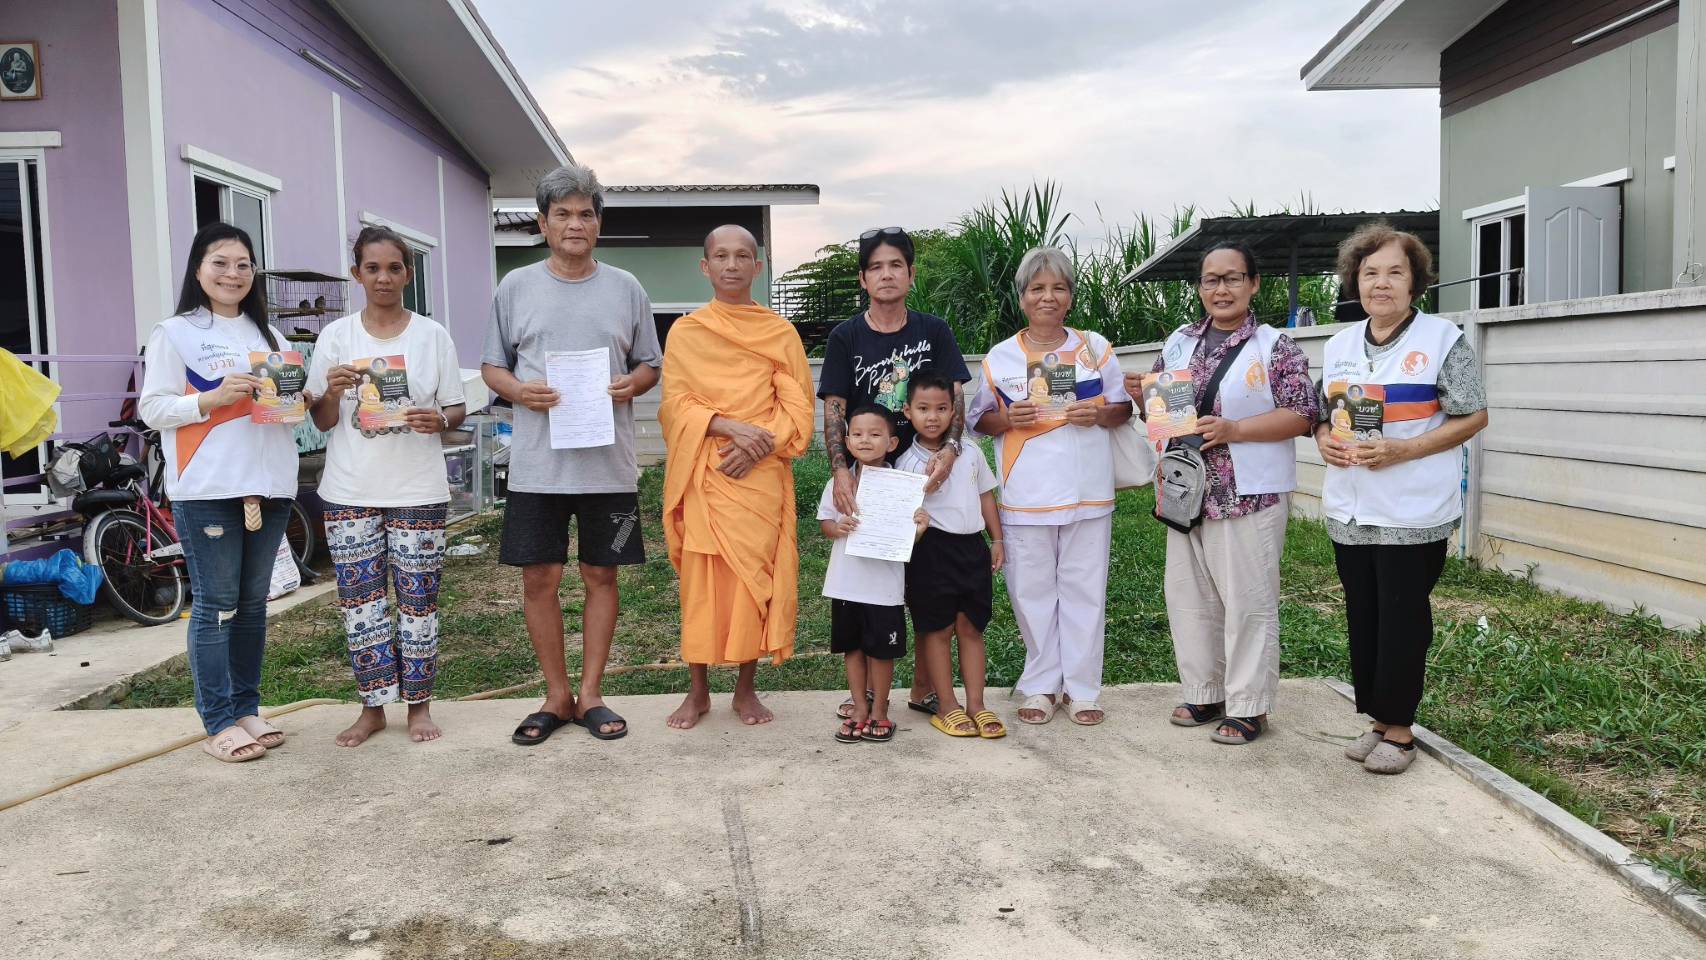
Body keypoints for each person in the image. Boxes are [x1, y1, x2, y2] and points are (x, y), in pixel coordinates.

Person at [480, 163, 662, 746]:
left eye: (586, 213)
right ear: (543, 222)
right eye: (563, 214)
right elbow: (492, 366)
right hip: (539, 464)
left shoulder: (626, 287)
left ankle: (592, 694)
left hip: (607, 462)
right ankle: (555, 696)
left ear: (598, 224)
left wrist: (632, 384)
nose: (575, 223)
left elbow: (650, 364)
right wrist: (517, 392)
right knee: (541, 576)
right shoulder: (516, 288)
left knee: (600, 573)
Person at [1128, 241, 1318, 746]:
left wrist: (1235, 429)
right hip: (1185, 489)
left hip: (1246, 492)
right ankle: (1204, 690)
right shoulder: (1179, 342)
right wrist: (1142, 397)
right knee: (1190, 596)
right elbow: (1164, 415)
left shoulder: (1274, 346)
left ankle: (1249, 704)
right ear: (1200, 288)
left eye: (1233, 278)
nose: (1221, 288)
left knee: (1248, 600)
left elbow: (1302, 414)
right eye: (1211, 279)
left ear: (1254, 284)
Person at [1315, 222, 1488, 775]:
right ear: (1354, 282)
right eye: (1370, 273)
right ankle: (1377, 719)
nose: (1381, 283)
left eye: (1395, 272)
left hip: (1412, 507)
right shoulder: (1341, 344)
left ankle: (1403, 730)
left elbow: (1473, 414)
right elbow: (1323, 418)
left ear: (1415, 283)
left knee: (1402, 615)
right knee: (1363, 612)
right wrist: (1325, 442)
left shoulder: (1441, 339)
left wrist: (1403, 450)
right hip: (1351, 506)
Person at [140, 222, 306, 763]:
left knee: (253, 605)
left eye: (242, 264)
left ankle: (246, 708)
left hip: (272, 484)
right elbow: (153, 408)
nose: (232, 274)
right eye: (220, 263)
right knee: (215, 606)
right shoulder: (176, 332)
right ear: (197, 269)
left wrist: (299, 398)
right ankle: (217, 720)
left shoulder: (273, 338)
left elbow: (288, 411)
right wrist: (209, 400)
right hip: (209, 487)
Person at [307, 225, 467, 747]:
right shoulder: (336, 337)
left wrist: (437, 420)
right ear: (357, 274)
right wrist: (328, 391)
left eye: (393, 267)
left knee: (418, 601)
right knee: (362, 604)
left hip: (418, 489)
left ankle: (418, 707)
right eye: (372, 268)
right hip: (349, 491)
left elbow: (456, 406)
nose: (383, 277)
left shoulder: (431, 335)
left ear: (408, 273)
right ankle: (372, 707)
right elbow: (325, 421)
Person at [658, 225, 814, 729]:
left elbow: (798, 407)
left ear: (757, 266)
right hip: (707, 468)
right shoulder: (687, 331)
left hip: (759, 473)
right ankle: (697, 688)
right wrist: (726, 427)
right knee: (701, 583)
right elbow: (674, 405)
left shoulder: (779, 332)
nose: (731, 264)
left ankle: (746, 688)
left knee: (756, 581)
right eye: (721, 256)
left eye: (742, 256)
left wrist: (758, 443)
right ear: (705, 267)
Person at [968, 247, 1132, 726]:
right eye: (1037, 288)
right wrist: (1008, 417)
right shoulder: (1001, 357)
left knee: (1085, 590)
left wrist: (1098, 413)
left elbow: (1123, 408)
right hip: (1026, 495)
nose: (1048, 296)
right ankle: (1041, 684)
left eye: (1058, 287)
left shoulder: (1095, 348)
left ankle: (1082, 689)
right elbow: (979, 420)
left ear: (1071, 296)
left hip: (1088, 493)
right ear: (1021, 299)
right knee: (1031, 590)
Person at [820, 227, 970, 720]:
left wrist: (949, 450)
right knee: (871, 579)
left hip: (921, 466)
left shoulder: (933, 330)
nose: (887, 275)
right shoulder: (847, 336)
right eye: (877, 267)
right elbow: (836, 408)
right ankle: (863, 691)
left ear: (910, 274)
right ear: (863, 278)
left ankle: (924, 689)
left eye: (896, 266)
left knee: (927, 584)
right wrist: (841, 469)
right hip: (871, 472)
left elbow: (956, 393)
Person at [897, 370, 1005, 739]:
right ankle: (946, 705)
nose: (933, 417)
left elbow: (986, 496)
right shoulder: (903, 463)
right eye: (923, 408)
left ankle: (977, 704)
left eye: (942, 408)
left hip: (970, 548)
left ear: (953, 411)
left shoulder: (971, 451)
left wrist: (997, 540)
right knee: (936, 629)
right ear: (907, 411)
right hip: (929, 552)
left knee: (971, 627)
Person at [818, 407, 929, 743]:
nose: (865, 439)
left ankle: (880, 710)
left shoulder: (903, 487)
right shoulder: (840, 483)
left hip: (883, 587)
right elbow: (825, 523)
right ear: (847, 441)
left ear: (892, 442)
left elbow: (907, 538)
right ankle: (860, 708)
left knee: (881, 652)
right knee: (852, 649)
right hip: (846, 583)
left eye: (875, 434)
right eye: (857, 433)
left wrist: (920, 528)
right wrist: (837, 528)